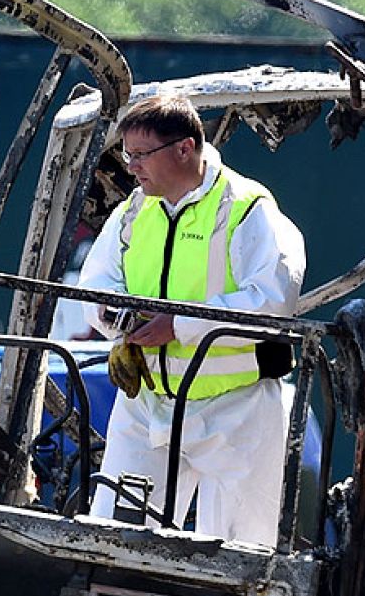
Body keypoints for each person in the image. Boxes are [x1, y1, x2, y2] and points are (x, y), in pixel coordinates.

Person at [78, 94, 305, 546]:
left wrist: (178, 326)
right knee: (112, 540)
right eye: (127, 155)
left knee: (241, 550)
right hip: (148, 402)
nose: (131, 167)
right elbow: (96, 286)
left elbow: (274, 299)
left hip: (236, 409)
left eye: (141, 155)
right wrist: (117, 318)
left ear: (185, 148)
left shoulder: (247, 208)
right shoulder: (133, 211)